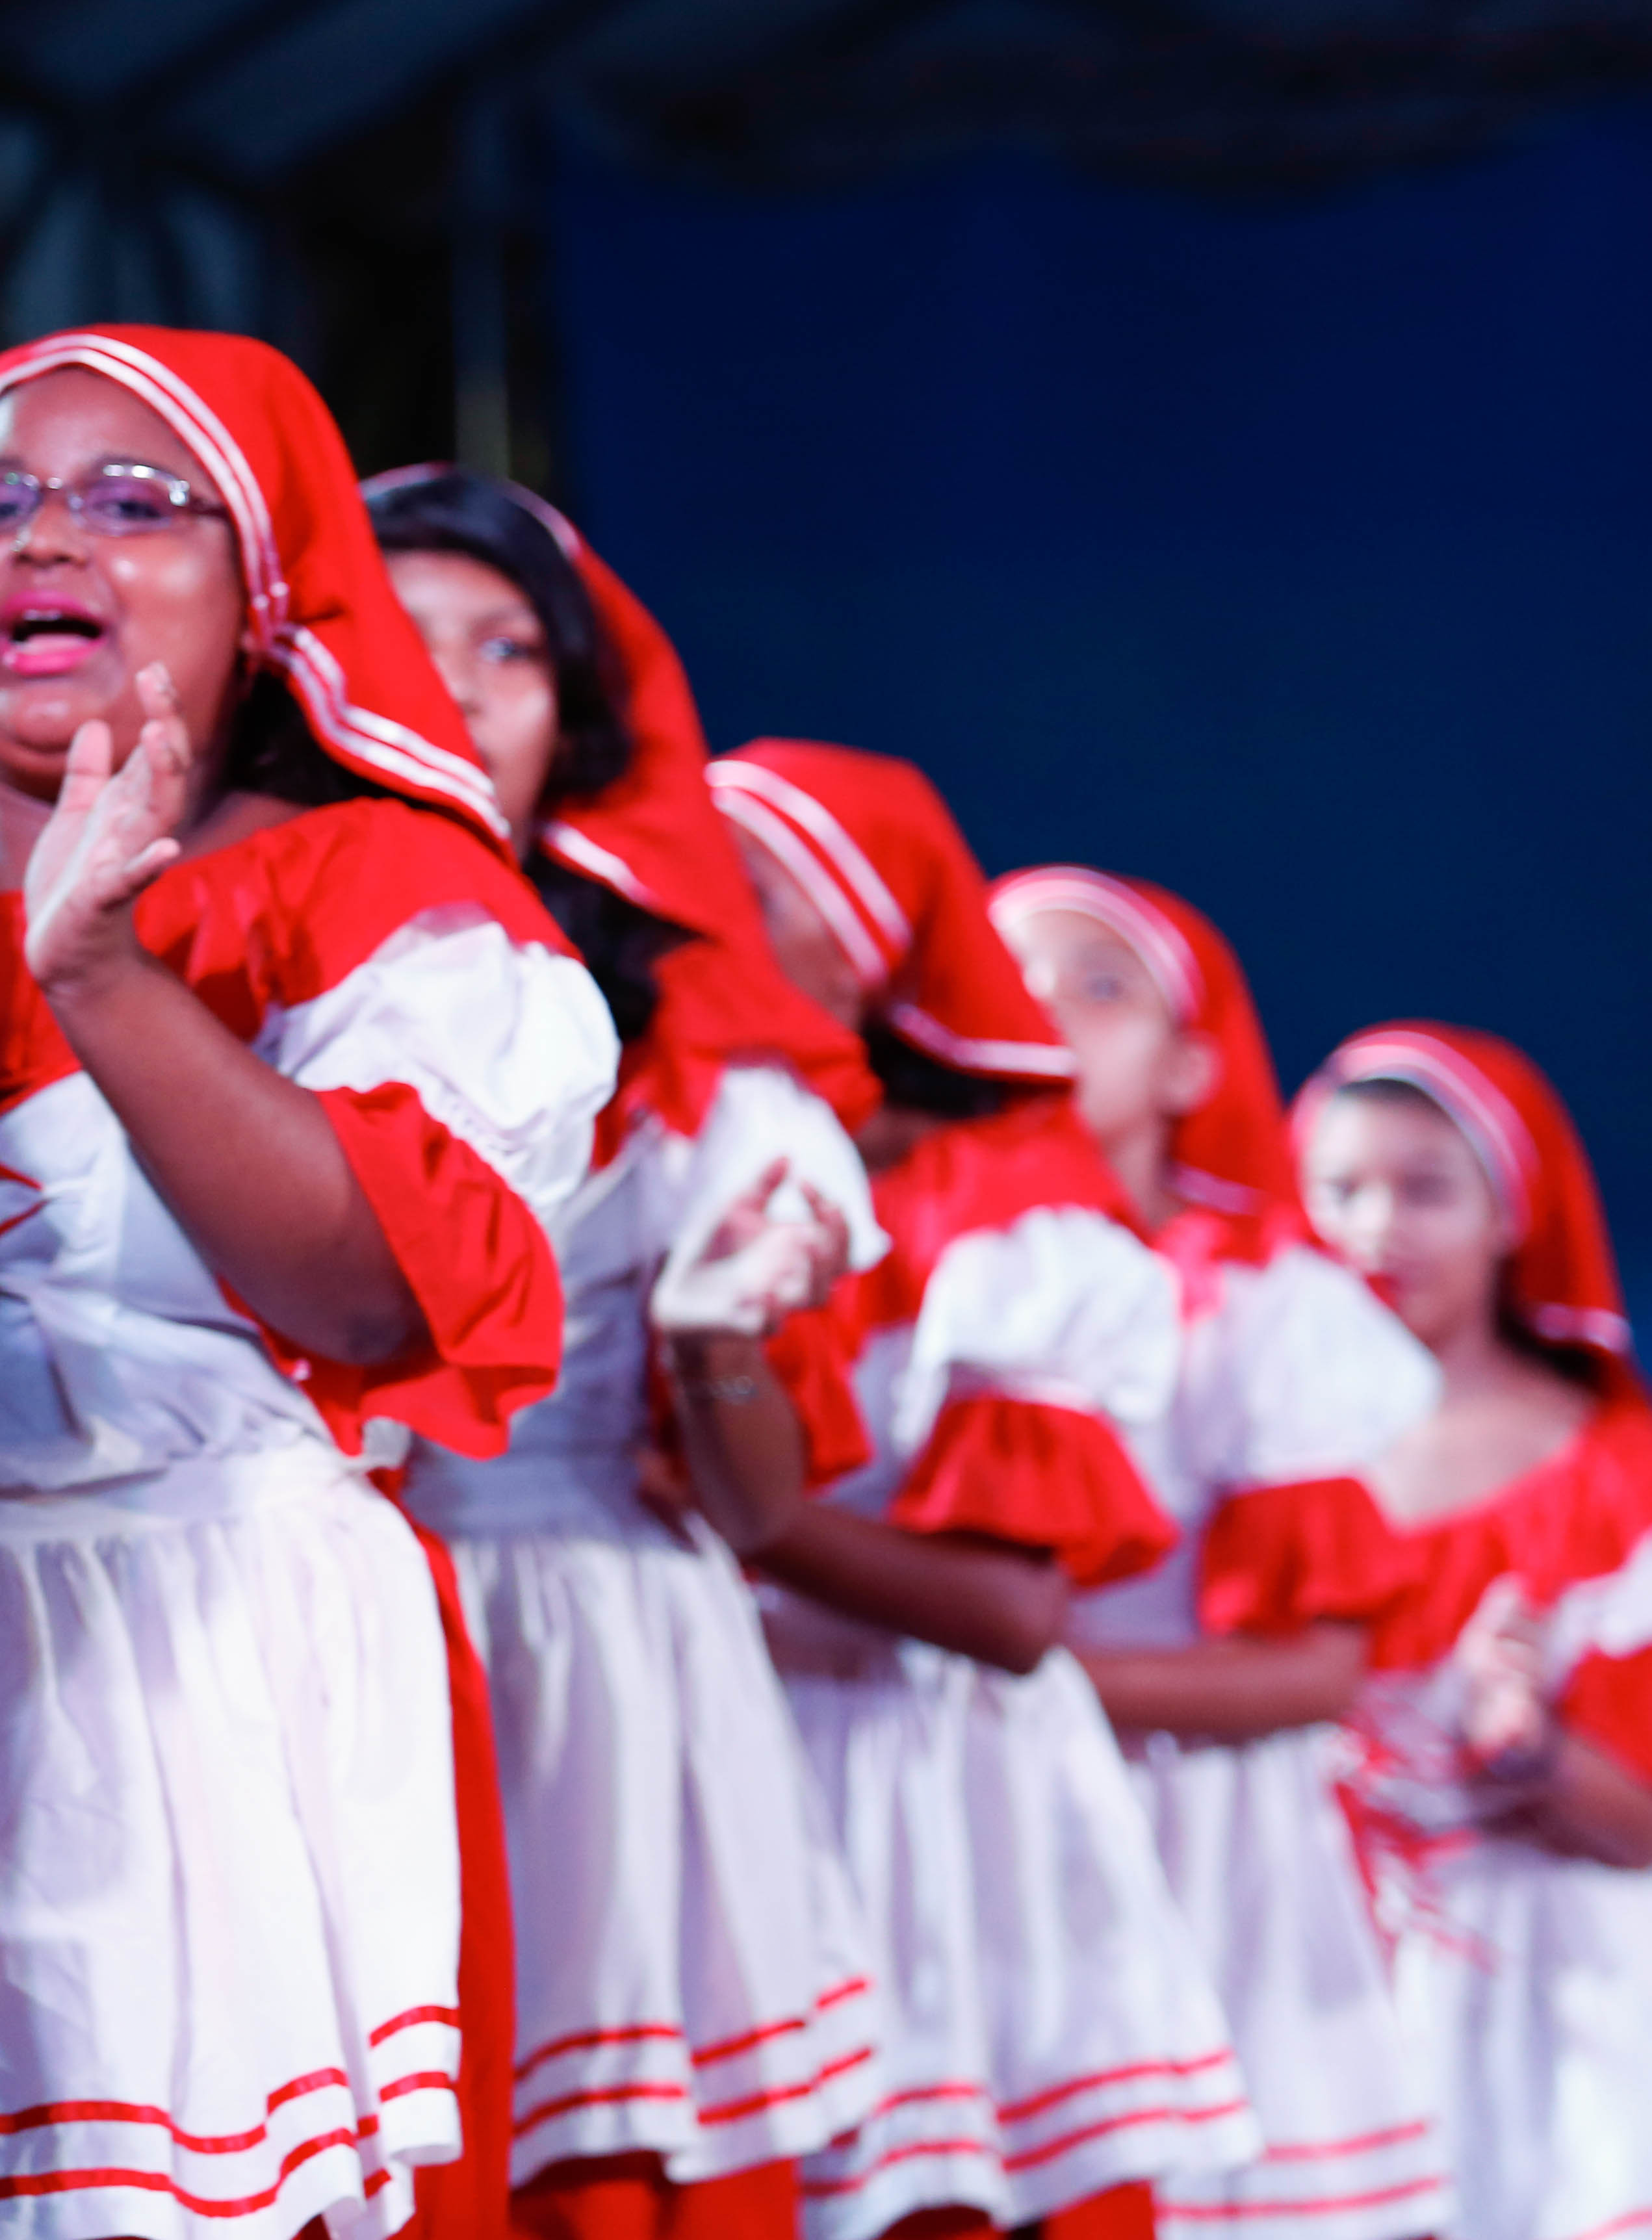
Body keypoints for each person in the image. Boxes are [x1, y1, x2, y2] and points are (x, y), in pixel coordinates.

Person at [0, 328, 620, 2240]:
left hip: (205, 1660)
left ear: (263, 593)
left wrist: (103, 977)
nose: (49, 537)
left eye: (137, 501)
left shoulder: (371, 899)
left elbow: (376, 1300)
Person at [365, 467, 883, 2240]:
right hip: (308, 1617)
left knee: (598, 2169)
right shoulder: (199, 982)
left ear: (575, 726)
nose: (451, 682)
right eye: (404, 635)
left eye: (505, 648)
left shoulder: (701, 1069)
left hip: (599, 1653)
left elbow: (757, 1507)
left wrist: (717, 1338)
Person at [703, 744, 1255, 2240]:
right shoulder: (687, 1142)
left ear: (870, 949)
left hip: (918, 1790)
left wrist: (747, 1527)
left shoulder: (1011, 1219)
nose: (694, 912)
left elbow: (1013, 1616)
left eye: (755, 890)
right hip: (713, 1739)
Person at [988, 869, 1443, 2240]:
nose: (1045, 1013)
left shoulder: (1263, 1312)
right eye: (1010, 982)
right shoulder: (911, 1262)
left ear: (1191, 1064)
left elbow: (1315, 1670)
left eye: (1099, 987)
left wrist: (1003, 1673)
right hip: (959, 1818)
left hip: (1195, 1839)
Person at [1293, 1027, 1652, 2240]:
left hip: (1548, 1995)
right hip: (1307, 1968)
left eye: (1425, 1191)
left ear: (1512, 1213)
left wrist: (1529, 1748)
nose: (1375, 1230)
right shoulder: (1258, 1449)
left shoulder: (1617, 1479)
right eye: (1340, 1190)